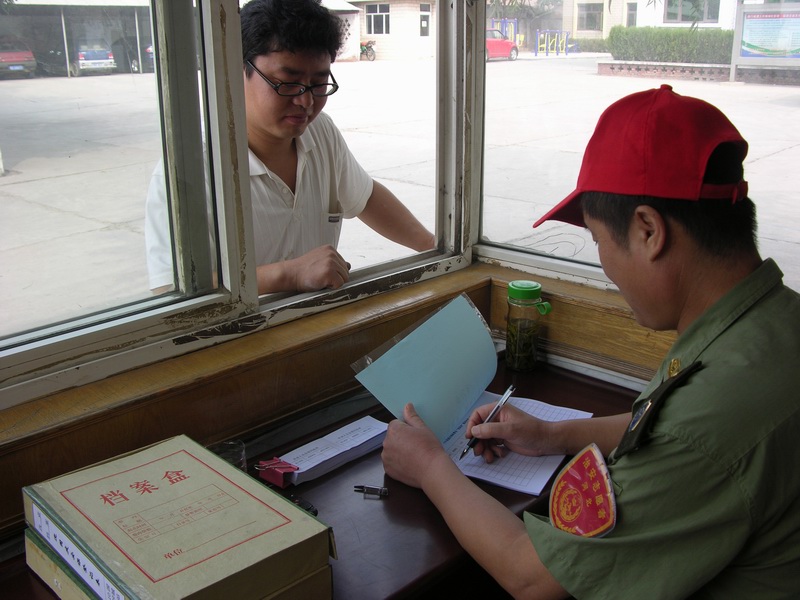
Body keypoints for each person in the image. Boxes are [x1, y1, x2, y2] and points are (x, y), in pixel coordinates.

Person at [381, 84, 800, 599]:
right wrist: (551, 435)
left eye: (599, 239)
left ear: (648, 231)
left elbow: (532, 576)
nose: (604, 264)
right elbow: (668, 425)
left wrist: (429, 467)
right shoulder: (772, 324)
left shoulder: (718, 414)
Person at [145, 0, 435, 295]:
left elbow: (365, 197)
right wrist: (289, 275)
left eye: (318, 84)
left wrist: (434, 247)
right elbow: (170, 290)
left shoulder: (320, 132)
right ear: (237, 70)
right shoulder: (189, 174)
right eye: (287, 83)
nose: (306, 101)